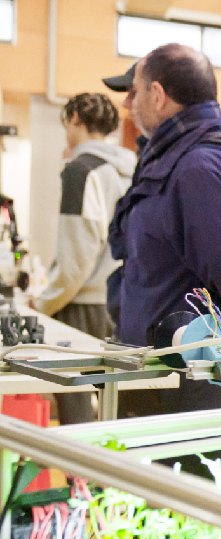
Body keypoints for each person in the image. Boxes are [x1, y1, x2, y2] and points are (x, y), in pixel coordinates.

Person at [108, 43, 221, 415]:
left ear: (157, 96)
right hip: (168, 375)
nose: (129, 104)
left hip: (192, 386)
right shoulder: (177, 158)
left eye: (135, 91)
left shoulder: (199, 168)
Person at [33, 93, 135, 424]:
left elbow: (77, 255)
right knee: (115, 410)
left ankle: (81, 479)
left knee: (76, 413)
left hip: (83, 303)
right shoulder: (132, 167)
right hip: (123, 301)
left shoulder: (81, 169)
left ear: (75, 118)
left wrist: (45, 302)